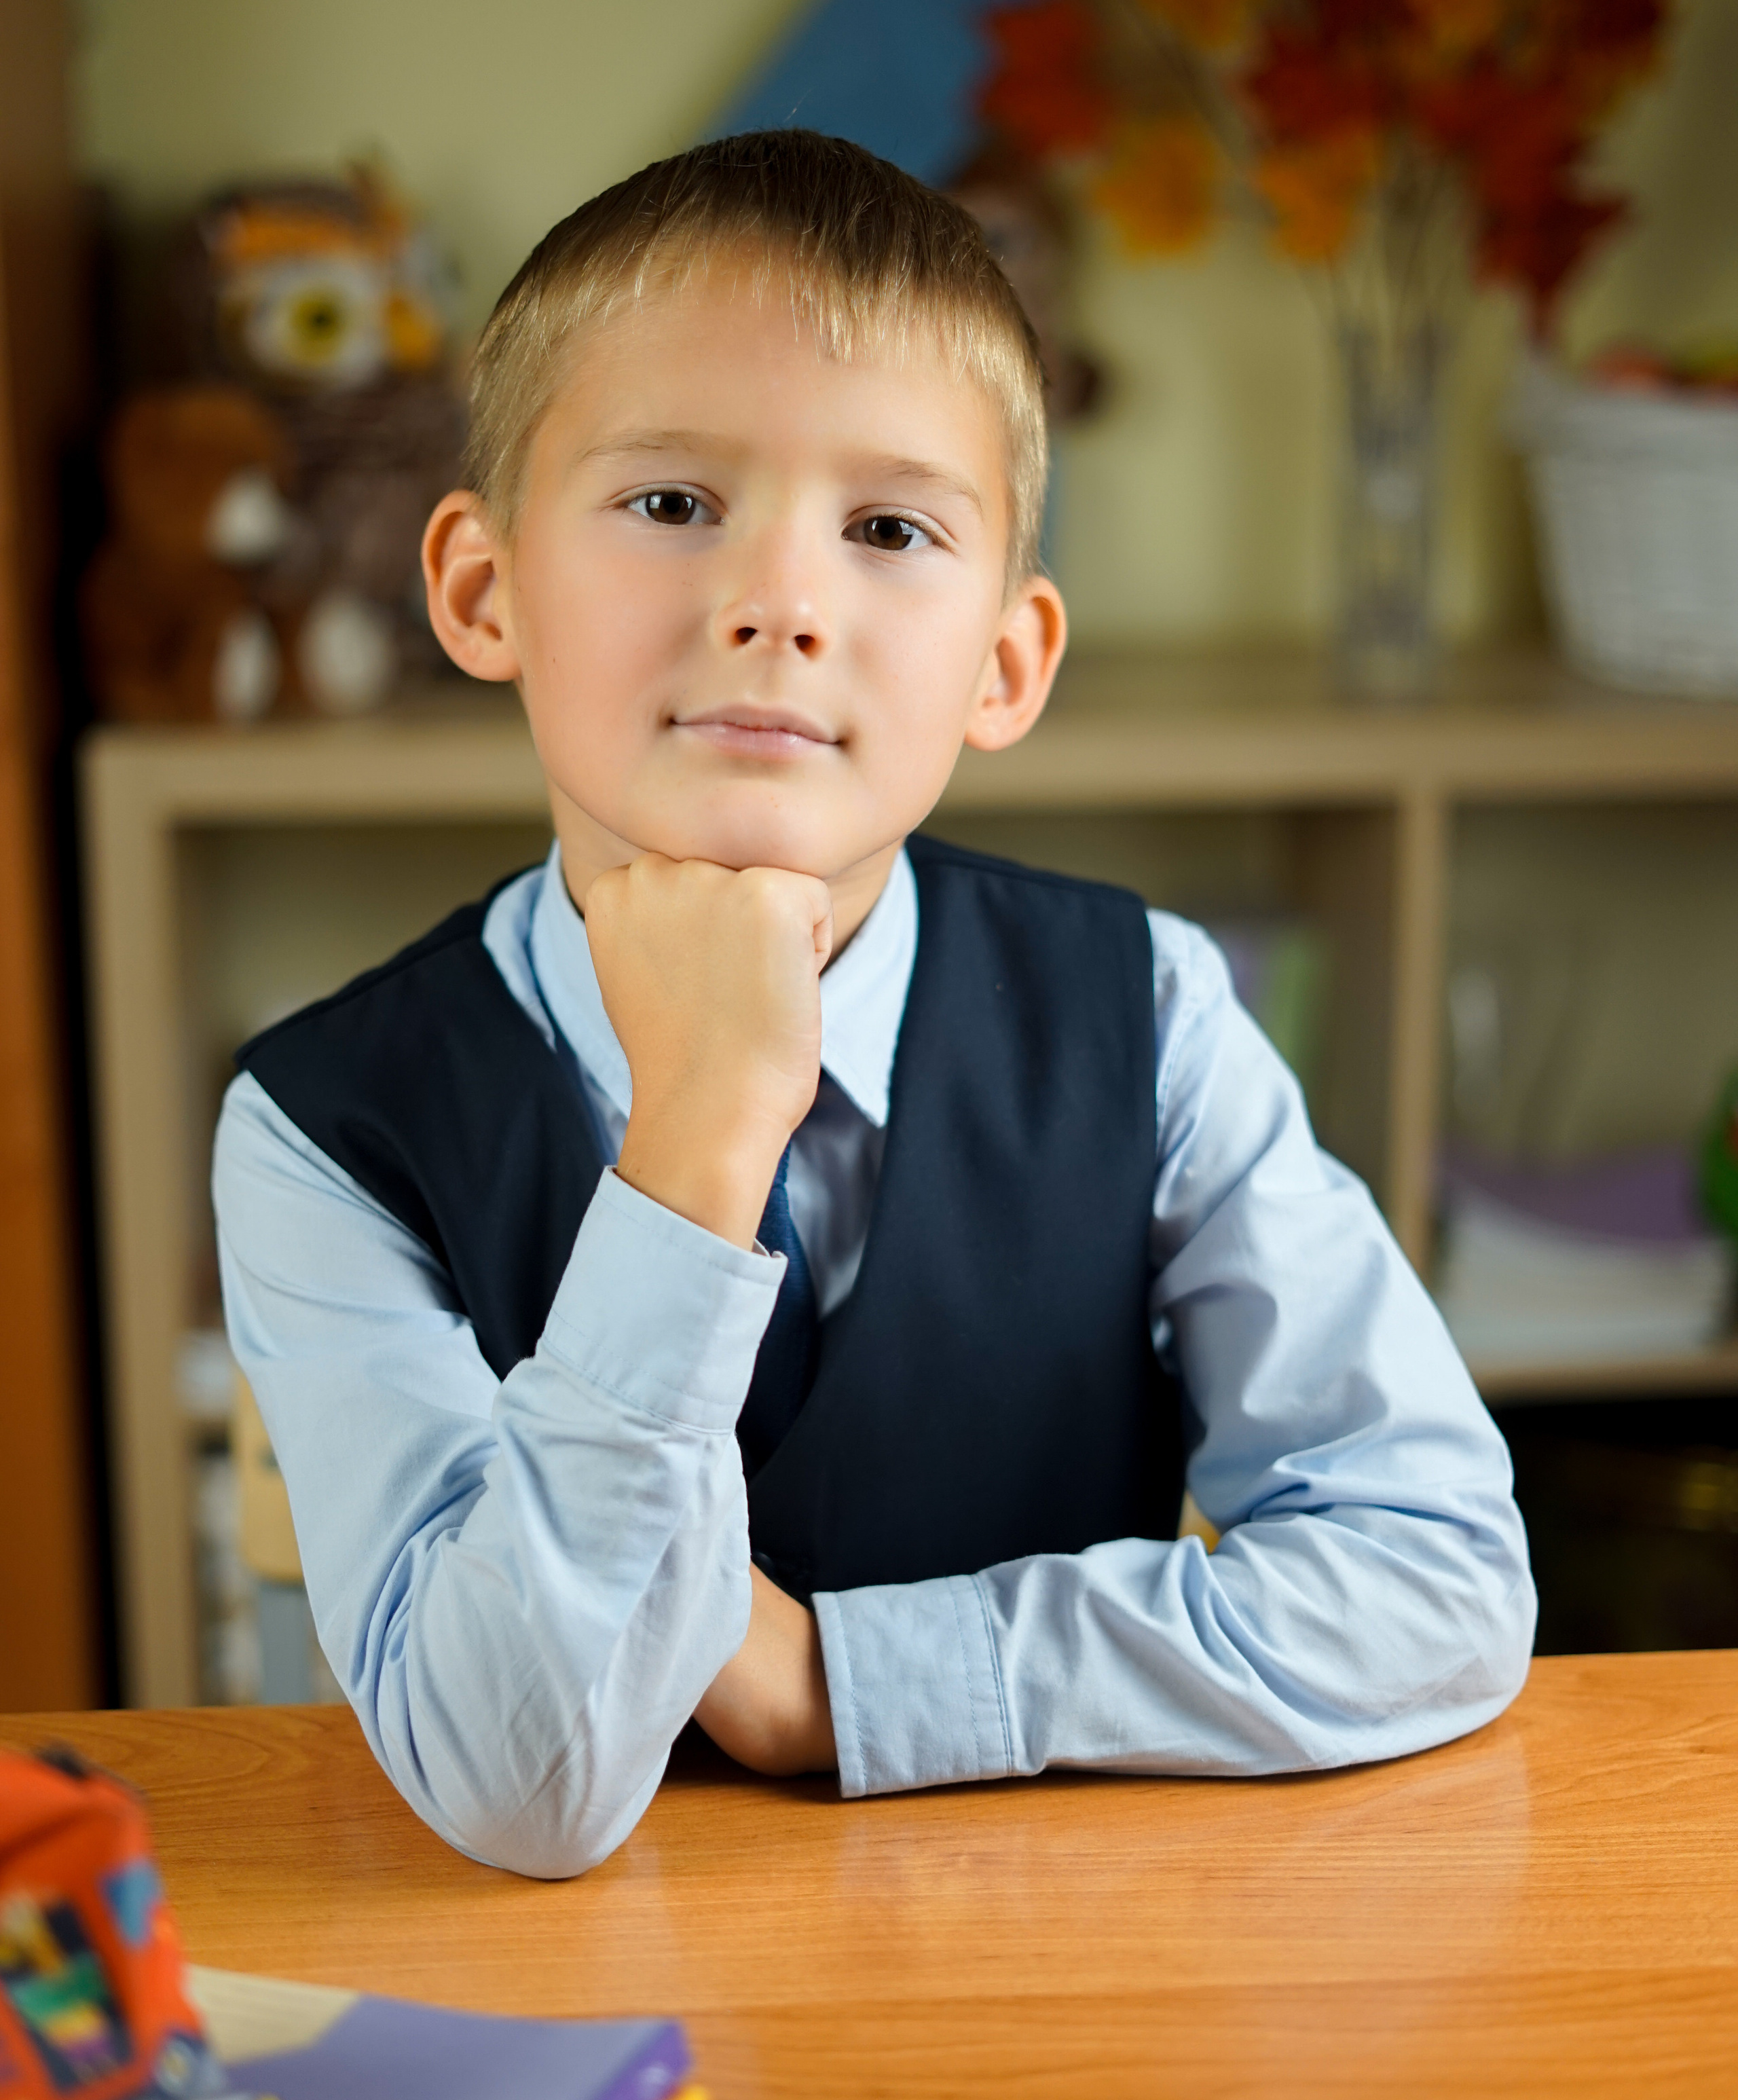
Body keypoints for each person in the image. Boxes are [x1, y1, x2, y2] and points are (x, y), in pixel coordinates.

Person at [215, 131, 1534, 1879]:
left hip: (1049, 1994)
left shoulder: (1144, 1015)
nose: (778, 602)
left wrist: (845, 1686)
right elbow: (515, 1788)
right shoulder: (321, 1127)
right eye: (673, 503)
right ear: (483, 591)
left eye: (891, 528)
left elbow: (1436, 1572)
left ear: (1004, 663)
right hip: (576, 2030)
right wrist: (696, 1135)